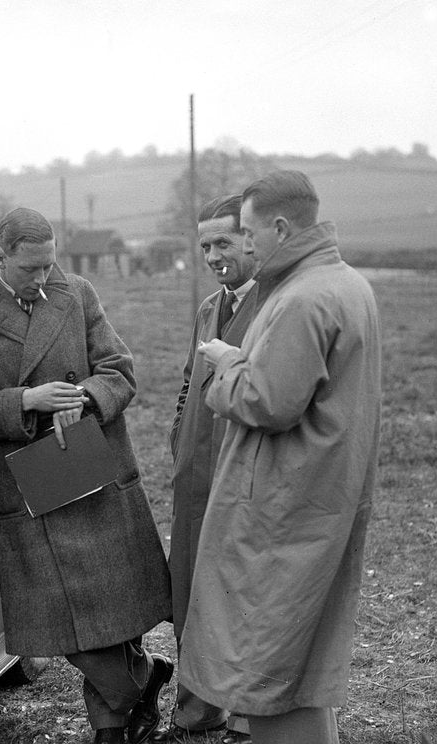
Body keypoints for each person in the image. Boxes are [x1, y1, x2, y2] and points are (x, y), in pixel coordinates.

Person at [0, 207, 173, 744]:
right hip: (28, 485)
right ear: (1, 258)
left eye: (50, 265)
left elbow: (119, 369)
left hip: (91, 466)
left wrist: (87, 396)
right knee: (58, 619)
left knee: (110, 608)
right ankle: (141, 681)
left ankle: (110, 727)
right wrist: (28, 399)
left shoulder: (78, 293)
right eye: (30, 270)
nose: (43, 279)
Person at [180, 171, 382, 744]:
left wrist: (224, 368)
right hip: (320, 492)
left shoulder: (301, 298)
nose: (242, 245)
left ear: (280, 227)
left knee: (268, 664)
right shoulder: (344, 284)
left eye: (246, 233)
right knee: (301, 665)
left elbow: (268, 402)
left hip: (282, 505)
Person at [153, 194, 257, 744]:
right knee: (191, 589)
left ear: (253, 238)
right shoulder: (208, 307)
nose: (213, 255)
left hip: (244, 478)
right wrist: (179, 436)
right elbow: (189, 385)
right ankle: (196, 711)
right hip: (194, 476)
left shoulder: (276, 305)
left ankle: (245, 717)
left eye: (224, 242)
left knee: (239, 594)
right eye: (204, 246)